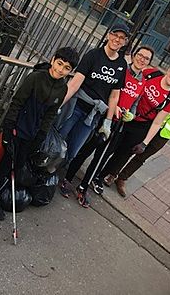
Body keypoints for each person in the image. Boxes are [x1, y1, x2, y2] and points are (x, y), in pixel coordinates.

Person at [60, 46, 154, 207]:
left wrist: (130, 114)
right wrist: (113, 108)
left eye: (146, 58)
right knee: (84, 149)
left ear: (149, 63)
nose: (142, 59)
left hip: (117, 124)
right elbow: (110, 91)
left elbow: (134, 104)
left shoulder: (143, 82)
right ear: (133, 55)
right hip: (102, 116)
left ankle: (83, 187)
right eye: (140, 55)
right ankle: (67, 178)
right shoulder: (121, 70)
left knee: (100, 158)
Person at [0, 47, 80, 200]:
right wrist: (8, 129)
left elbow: (50, 114)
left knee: (18, 165)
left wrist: (40, 136)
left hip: (32, 134)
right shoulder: (36, 78)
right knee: (5, 164)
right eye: (59, 64)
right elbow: (17, 103)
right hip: (17, 128)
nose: (60, 70)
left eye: (66, 68)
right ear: (52, 60)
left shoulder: (62, 89)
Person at [56, 24, 129, 204]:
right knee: (58, 139)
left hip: (94, 115)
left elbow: (114, 96)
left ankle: (55, 176)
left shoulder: (121, 65)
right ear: (109, 35)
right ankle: (41, 171)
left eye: (122, 38)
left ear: (125, 42)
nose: (117, 39)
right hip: (77, 106)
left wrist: (108, 122)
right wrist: (58, 104)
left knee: (73, 149)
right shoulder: (93, 55)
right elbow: (75, 83)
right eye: (115, 35)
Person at [101, 62, 170, 197]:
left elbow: (157, 122)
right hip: (125, 116)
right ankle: (94, 170)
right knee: (110, 146)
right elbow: (133, 81)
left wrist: (145, 143)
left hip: (141, 125)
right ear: (169, 70)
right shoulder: (152, 74)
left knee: (122, 154)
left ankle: (102, 176)